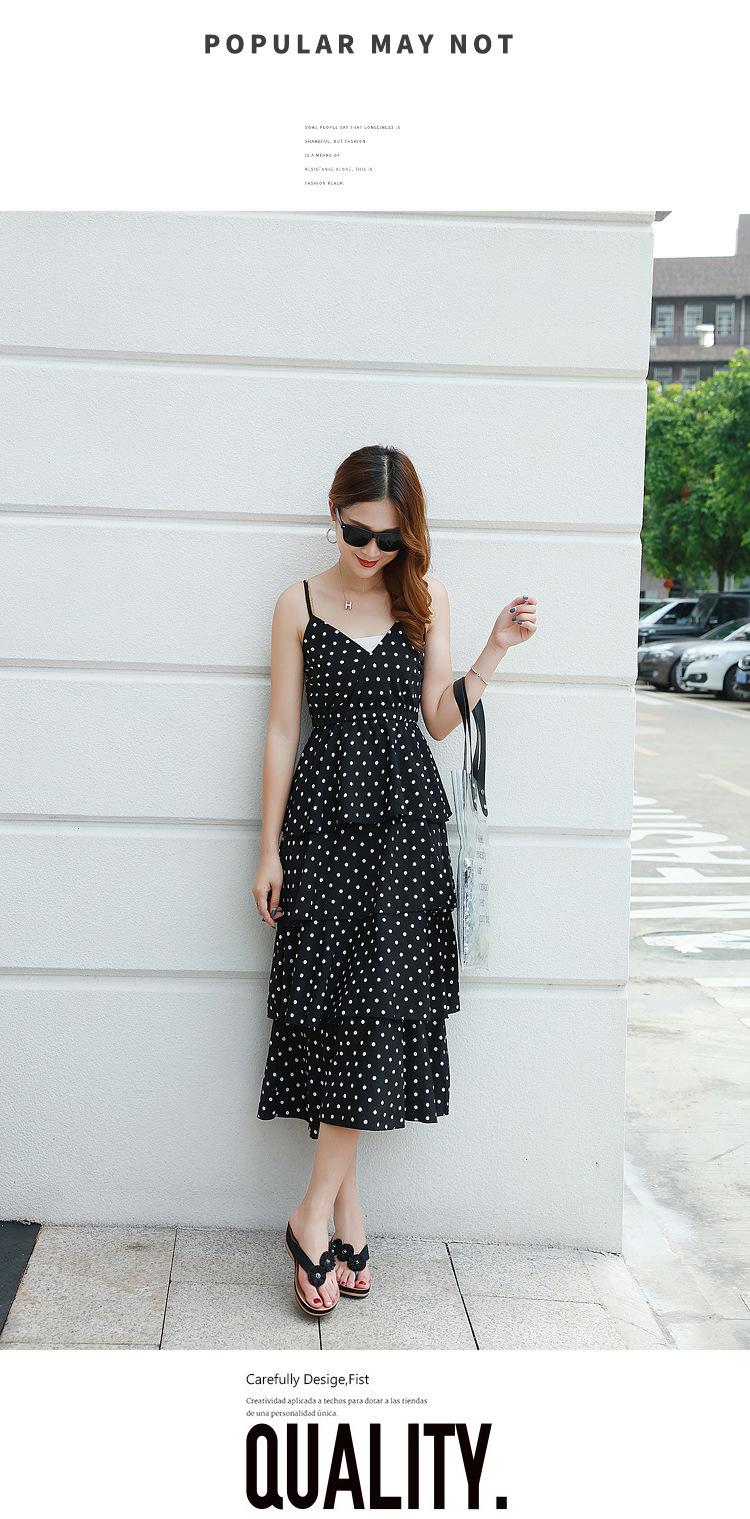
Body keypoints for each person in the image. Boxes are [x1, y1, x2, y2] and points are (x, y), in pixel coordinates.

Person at [252, 444, 537, 1317]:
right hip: (323, 830)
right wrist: (267, 851)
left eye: (389, 538)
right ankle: (346, 1213)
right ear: (333, 513)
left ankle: (311, 1213)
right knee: (335, 1012)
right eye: (358, 533)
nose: (372, 552)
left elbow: (440, 720)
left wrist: (493, 650)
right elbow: (281, 731)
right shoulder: (297, 603)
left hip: (406, 836)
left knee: (377, 1009)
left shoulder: (427, 598)